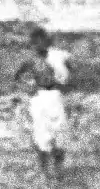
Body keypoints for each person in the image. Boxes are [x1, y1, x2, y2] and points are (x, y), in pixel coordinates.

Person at [14, 26, 71, 182]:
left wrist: (63, 81)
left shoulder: (57, 57)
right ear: (32, 44)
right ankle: (45, 172)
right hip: (39, 98)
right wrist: (27, 87)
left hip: (55, 97)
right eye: (35, 42)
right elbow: (17, 76)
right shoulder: (30, 60)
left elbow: (69, 75)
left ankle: (59, 170)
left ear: (47, 42)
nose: (39, 45)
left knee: (59, 134)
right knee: (41, 136)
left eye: (42, 41)